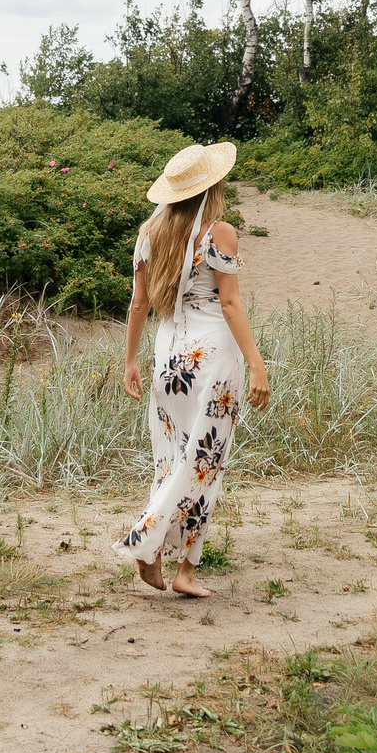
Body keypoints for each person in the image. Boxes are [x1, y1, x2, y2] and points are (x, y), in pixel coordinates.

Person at [110, 140, 270, 597]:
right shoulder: (219, 233)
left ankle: (178, 565)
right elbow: (232, 304)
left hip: (167, 356)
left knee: (175, 459)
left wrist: (130, 361)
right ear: (212, 185)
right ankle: (154, 545)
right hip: (214, 356)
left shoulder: (148, 231)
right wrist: (257, 365)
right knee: (205, 462)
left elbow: (139, 303)